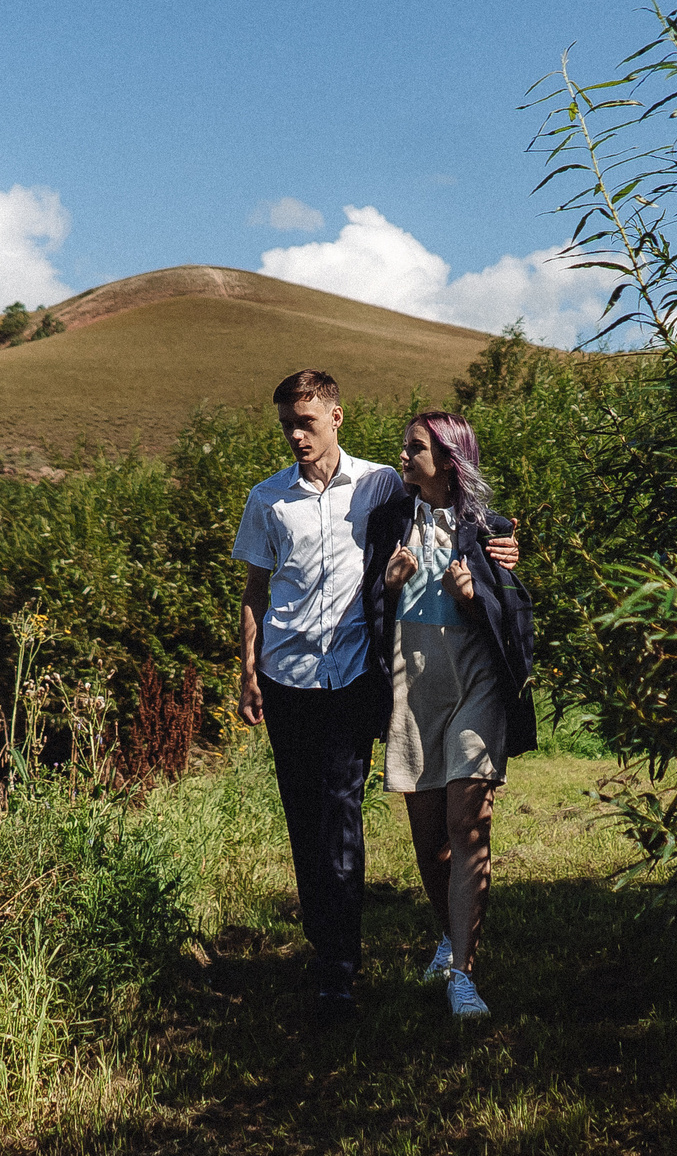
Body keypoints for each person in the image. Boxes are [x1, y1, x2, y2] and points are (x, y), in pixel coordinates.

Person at [234, 369, 519, 1022]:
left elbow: (471, 521)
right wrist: (248, 672)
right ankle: (339, 943)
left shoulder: (380, 484)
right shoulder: (269, 499)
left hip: (357, 678)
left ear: (336, 417)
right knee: (312, 822)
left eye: (306, 421)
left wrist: (502, 554)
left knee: (345, 817)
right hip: (294, 678)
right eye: (286, 425)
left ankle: (342, 969)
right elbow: (255, 590)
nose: (295, 435)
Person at [370, 410, 534, 1021]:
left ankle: (463, 974)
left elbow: (516, 613)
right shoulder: (388, 522)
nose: (403, 456)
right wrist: (389, 586)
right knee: (430, 841)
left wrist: (475, 596)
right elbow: (361, 604)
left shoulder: (490, 529)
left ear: (447, 458)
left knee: (468, 825)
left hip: (476, 684)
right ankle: (448, 933)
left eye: (414, 448)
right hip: (412, 688)